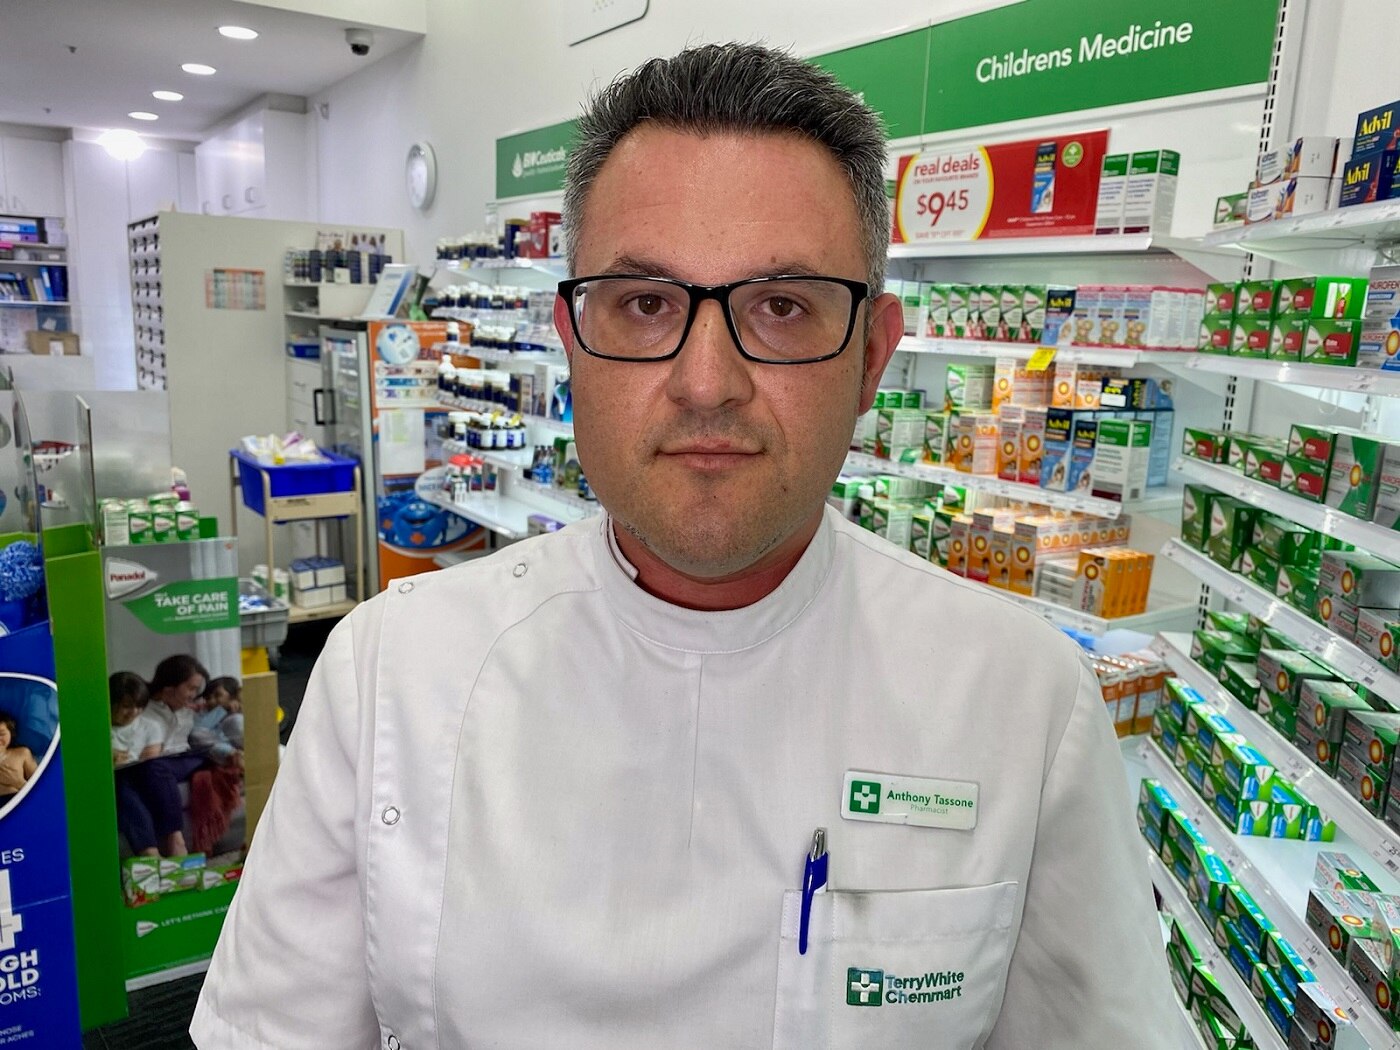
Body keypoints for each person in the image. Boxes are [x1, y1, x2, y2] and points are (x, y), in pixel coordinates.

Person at [194, 43, 1176, 1049]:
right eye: (647, 304)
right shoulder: (390, 674)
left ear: (872, 355)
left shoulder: (1019, 699)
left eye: (781, 307)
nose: (707, 382)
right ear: (569, 344)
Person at [118, 655, 239, 858]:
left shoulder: (192, 711)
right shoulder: (142, 710)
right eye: (190, 688)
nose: (194, 695)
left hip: (190, 757)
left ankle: (175, 840)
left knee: (154, 766)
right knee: (122, 782)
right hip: (152, 763)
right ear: (169, 688)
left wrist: (222, 714)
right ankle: (149, 853)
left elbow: (204, 733)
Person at [109, 670, 158, 768]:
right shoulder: (93, 727)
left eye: (139, 706)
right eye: (126, 706)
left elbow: (148, 767)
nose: (134, 712)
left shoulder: (150, 727)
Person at [0, 713, 36, 804]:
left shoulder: (22, 753)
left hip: (18, 801)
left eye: (2, 734)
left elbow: (41, 787)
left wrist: (18, 782)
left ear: (11, 734)